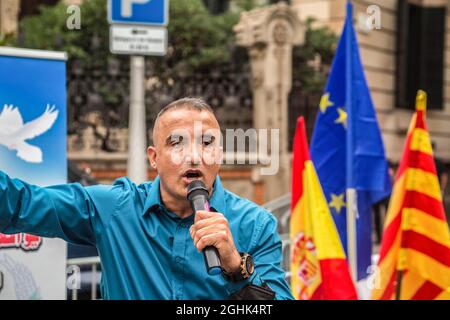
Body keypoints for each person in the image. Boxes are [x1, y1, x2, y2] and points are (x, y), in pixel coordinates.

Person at [0, 97, 293, 300]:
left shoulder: (255, 225)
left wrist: (236, 267)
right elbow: (21, 204)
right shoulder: (114, 208)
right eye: (177, 143)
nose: (193, 155)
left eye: (207, 143)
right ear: (154, 157)